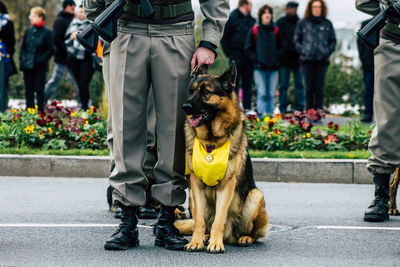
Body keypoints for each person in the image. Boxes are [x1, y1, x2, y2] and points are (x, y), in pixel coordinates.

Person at [84, 0, 229, 251]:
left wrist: (209, 40)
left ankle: (166, 219)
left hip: (176, 29)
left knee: (173, 130)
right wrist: (99, 18)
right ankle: (127, 218)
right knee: (124, 126)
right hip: (126, 28)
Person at [356, 0, 400, 222]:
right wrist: (388, 10)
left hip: (392, 41)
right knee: (387, 119)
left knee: (388, 118)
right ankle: (381, 195)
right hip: (392, 38)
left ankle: (383, 198)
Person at [294, 0, 336, 121]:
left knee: (319, 88)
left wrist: (326, 52)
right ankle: (310, 112)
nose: (316, 9)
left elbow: (332, 41)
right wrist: (304, 51)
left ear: (322, 8)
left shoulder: (327, 24)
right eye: (314, 7)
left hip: (322, 60)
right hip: (307, 60)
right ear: (310, 8)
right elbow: (297, 40)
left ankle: (318, 112)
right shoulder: (302, 23)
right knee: (308, 88)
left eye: (319, 7)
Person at [245, 4, 281, 116]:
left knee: (270, 94)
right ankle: (260, 118)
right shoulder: (255, 30)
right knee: (261, 93)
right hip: (259, 68)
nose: (267, 15)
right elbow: (248, 47)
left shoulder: (275, 30)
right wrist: (256, 59)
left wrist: (277, 60)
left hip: (273, 68)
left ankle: (269, 118)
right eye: (265, 12)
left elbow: (281, 47)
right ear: (261, 15)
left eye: (269, 12)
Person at [221, 0, 255, 112]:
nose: (251, 7)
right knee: (233, 84)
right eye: (250, 4)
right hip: (235, 56)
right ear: (245, 4)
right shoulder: (232, 18)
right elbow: (224, 37)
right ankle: (234, 108)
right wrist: (230, 54)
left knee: (248, 84)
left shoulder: (252, 20)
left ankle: (247, 108)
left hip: (248, 58)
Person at [20, 7, 53, 112]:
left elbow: (51, 50)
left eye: (33, 16)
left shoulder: (47, 32)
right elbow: (23, 48)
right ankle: (29, 112)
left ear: (40, 17)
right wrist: (23, 60)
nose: (31, 18)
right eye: (31, 16)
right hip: (27, 66)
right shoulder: (28, 30)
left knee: (39, 90)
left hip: (40, 67)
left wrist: (40, 60)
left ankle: (40, 113)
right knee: (28, 90)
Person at [44, 0, 76, 103]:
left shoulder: (72, 21)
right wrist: (66, 51)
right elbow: (57, 39)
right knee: (54, 81)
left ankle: (85, 106)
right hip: (62, 58)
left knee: (78, 82)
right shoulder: (60, 21)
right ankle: (41, 102)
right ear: (66, 7)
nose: (73, 9)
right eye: (72, 7)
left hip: (72, 58)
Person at [277, 1, 304, 114]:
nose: (293, 10)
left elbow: (303, 38)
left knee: (299, 84)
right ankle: (283, 109)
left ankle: (299, 108)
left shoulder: (301, 22)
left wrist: (298, 49)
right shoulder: (280, 22)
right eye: (291, 8)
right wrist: (286, 48)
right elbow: (278, 38)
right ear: (286, 9)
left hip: (298, 59)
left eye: (295, 8)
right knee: (283, 85)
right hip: (284, 59)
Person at [65, 5, 94, 110]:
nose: (81, 14)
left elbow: (93, 39)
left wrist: (80, 35)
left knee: (83, 84)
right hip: (74, 57)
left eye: (83, 12)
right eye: (80, 12)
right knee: (79, 84)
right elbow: (67, 38)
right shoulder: (73, 23)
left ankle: (85, 107)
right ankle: (83, 105)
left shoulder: (91, 24)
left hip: (87, 57)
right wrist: (74, 36)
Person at [357, 18, 374, 124]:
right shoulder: (366, 23)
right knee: (369, 91)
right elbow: (360, 43)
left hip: (385, 64)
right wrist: (364, 59)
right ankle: (368, 114)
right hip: (368, 65)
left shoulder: (391, 22)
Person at [0, 1, 17, 112]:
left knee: (3, 84)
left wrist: (8, 53)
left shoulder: (8, 23)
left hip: (4, 57)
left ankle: (3, 106)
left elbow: (12, 40)